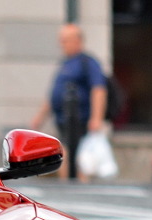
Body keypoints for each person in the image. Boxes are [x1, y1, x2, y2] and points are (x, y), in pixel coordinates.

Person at [31, 23, 107, 182]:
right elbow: (53, 95)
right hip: (63, 121)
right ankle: (69, 184)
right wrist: (39, 118)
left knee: (77, 157)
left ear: (78, 41)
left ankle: (78, 185)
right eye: (61, 40)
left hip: (79, 120)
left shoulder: (87, 62)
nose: (62, 44)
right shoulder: (64, 64)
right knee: (64, 154)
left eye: (65, 40)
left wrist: (96, 117)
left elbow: (98, 89)